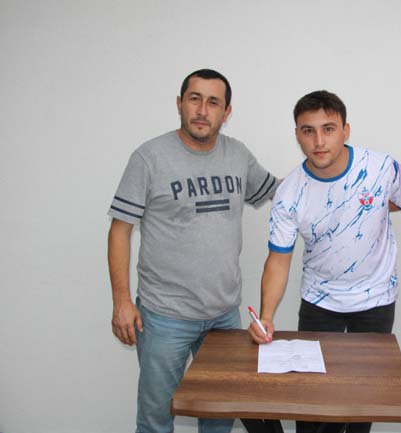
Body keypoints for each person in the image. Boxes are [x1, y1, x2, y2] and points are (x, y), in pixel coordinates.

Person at [107, 68, 278, 433]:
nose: (202, 110)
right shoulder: (149, 157)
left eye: (213, 102)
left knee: (219, 417)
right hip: (164, 317)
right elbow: (120, 231)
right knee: (156, 419)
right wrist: (122, 301)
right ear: (179, 104)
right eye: (194, 99)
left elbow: (280, 192)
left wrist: (329, 177)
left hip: (224, 316)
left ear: (226, 112)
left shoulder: (238, 155)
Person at [247, 90, 401, 433]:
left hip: (375, 301)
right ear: (297, 135)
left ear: (346, 130)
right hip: (319, 303)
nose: (318, 141)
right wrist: (266, 316)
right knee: (313, 405)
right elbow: (278, 260)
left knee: (361, 404)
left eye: (328, 129)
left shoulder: (381, 168)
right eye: (308, 131)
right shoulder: (288, 193)